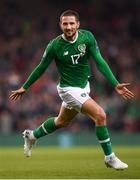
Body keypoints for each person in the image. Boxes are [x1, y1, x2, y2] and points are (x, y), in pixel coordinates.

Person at [10, 10, 134, 170]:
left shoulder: (87, 37)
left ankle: (32, 135)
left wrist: (115, 83)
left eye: (71, 23)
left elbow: (99, 60)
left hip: (83, 86)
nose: (68, 27)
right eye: (65, 23)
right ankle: (110, 157)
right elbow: (41, 68)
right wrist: (24, 87)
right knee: (100, 115)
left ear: (78, 24)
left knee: (62, 122)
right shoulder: (54, 45)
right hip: (68, 89)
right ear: (60, 25)